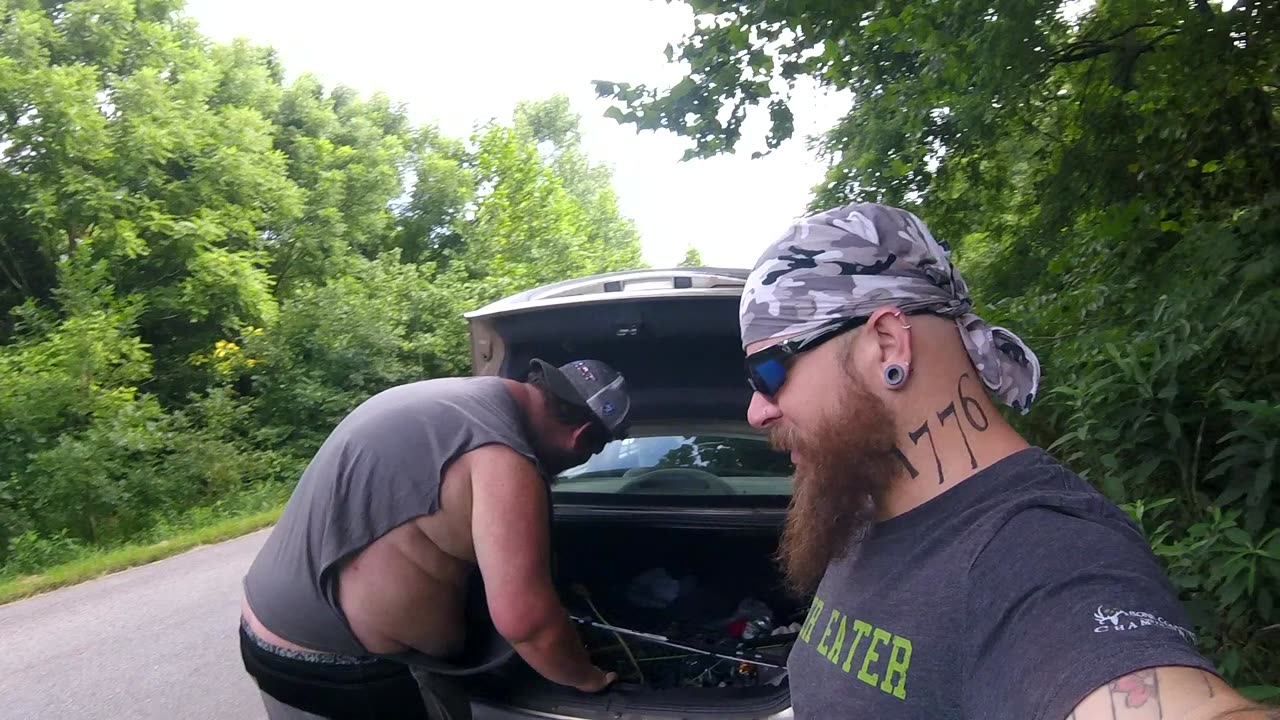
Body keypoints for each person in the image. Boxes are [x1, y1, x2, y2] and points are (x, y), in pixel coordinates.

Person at [738, 203, 1277, 719]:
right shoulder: (863, 509)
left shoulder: (1042, 554)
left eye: (767, 373)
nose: (756, 409)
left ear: (887, 344)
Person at [238, 358, 631, 719]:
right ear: (580, 439)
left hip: (264, 636)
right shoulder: (504, 459)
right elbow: (528, 625)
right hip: (349, 677)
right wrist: (586, 677)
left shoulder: (436, 395)